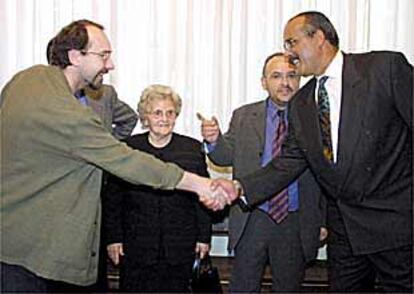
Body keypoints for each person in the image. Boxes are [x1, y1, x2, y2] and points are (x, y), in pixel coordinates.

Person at [0, 19, 230, 293]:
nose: (110, 65)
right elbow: (129, 163)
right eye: (103, 55)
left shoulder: (26, 80)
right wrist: (203, 185)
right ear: (75, 56)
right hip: (33, 257)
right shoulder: (70, 117)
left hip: (12, 240)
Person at [214, 11, 413, 292]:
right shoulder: (303, 102)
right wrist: (239, 187)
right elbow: (290, 161)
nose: (289, 52)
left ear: (318, 37)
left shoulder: (383, 68)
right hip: (345, 231)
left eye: (292, 42)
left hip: (397, 226)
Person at [199, 53, 327, 292]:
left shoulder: (316, 118)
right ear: (263, 81)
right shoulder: (244, 116)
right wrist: (214, 141)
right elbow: (224, 157)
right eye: (276, 76)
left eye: (292, 76)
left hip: (295, 219)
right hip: (252, 216)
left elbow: (327, 171)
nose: (285, 83)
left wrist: (322, 219)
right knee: (243, 288)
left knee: (288, 289)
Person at [104, 84, 212, 292]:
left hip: (179, 246)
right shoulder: (128, 148)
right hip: (136, 247)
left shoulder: (191, 148)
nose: (164, 118)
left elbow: (202, 196)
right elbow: (113, 198)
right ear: (146, 116)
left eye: (170, 113)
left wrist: (203, 237)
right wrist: (113, 238)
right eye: (157, 113)